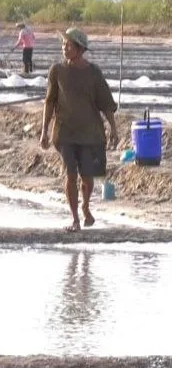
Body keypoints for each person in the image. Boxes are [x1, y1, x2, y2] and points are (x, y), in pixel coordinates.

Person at [40, 28, 118, 233]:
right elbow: (49, 102)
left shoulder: (94, 73)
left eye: (69, 45)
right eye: (63, 44)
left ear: (80, 49)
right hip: (65, 132)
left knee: (87, 177)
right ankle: (75, 219)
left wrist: (114, 129)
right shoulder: (57, 71)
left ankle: (85, 206)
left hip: (90, 132)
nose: (64, 48)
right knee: (71, 175)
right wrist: (44, 131)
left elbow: (106, 103)